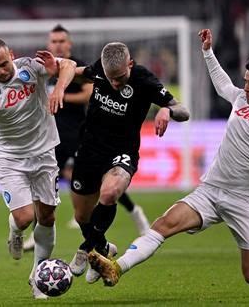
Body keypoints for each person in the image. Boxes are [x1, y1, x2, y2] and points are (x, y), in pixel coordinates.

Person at [87, 29, 249, 292]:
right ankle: (116, 268)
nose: (246, 87)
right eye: (245, 81)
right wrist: (207, 52)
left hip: (243, 200)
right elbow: (223, 85)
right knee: (163, 224)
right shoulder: (242, 98)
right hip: (210, 190)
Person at [43, 41, 190, 283]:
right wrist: (58, 71)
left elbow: (183, 110)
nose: (115, 84)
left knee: (110, 193)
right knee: (82, 216)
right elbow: (77, 73)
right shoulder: (100, 70)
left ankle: (87, 249)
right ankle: (102, 247)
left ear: (130, 64)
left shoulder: (144, 80)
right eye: (111, 79)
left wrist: (167, 111)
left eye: (120, 78)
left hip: (122, 151)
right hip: (89, 149)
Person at [23, 26, 150, 251]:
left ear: (69, 44)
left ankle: (134, 212)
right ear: (49, 44)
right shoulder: (45, 68)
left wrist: (60, 94)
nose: (58, 44)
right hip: (51, 136)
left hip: (78, 134)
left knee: (104, 182)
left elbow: (89, 94)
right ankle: (38, 232)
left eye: (62, 40)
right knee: (43, 183)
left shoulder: (77, 66)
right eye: (54, 41)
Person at [0, 38, 76, 299]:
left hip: (43, 155)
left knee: (48, 217)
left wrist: (59, 89)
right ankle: (15, 230)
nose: (1, 72)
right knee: (25, 217)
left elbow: (70, 65)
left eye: (4, 64)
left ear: (12, 56)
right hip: (9, 159)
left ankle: (38, 278)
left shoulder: (32, 67)